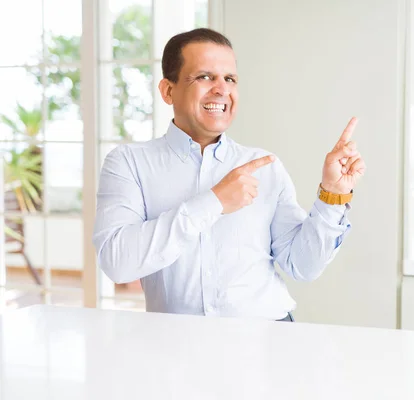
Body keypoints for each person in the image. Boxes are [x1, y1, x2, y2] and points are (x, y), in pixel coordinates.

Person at [92, 28, 365, 321]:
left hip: (268, 338)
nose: (222, 89)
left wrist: (332, 196)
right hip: (176, 345)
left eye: (230, 79)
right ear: (168, 90)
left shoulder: (264, 165)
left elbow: (303, 266)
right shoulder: (128, 163)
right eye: (205, 77)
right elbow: (117, 262)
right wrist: (213, 202)